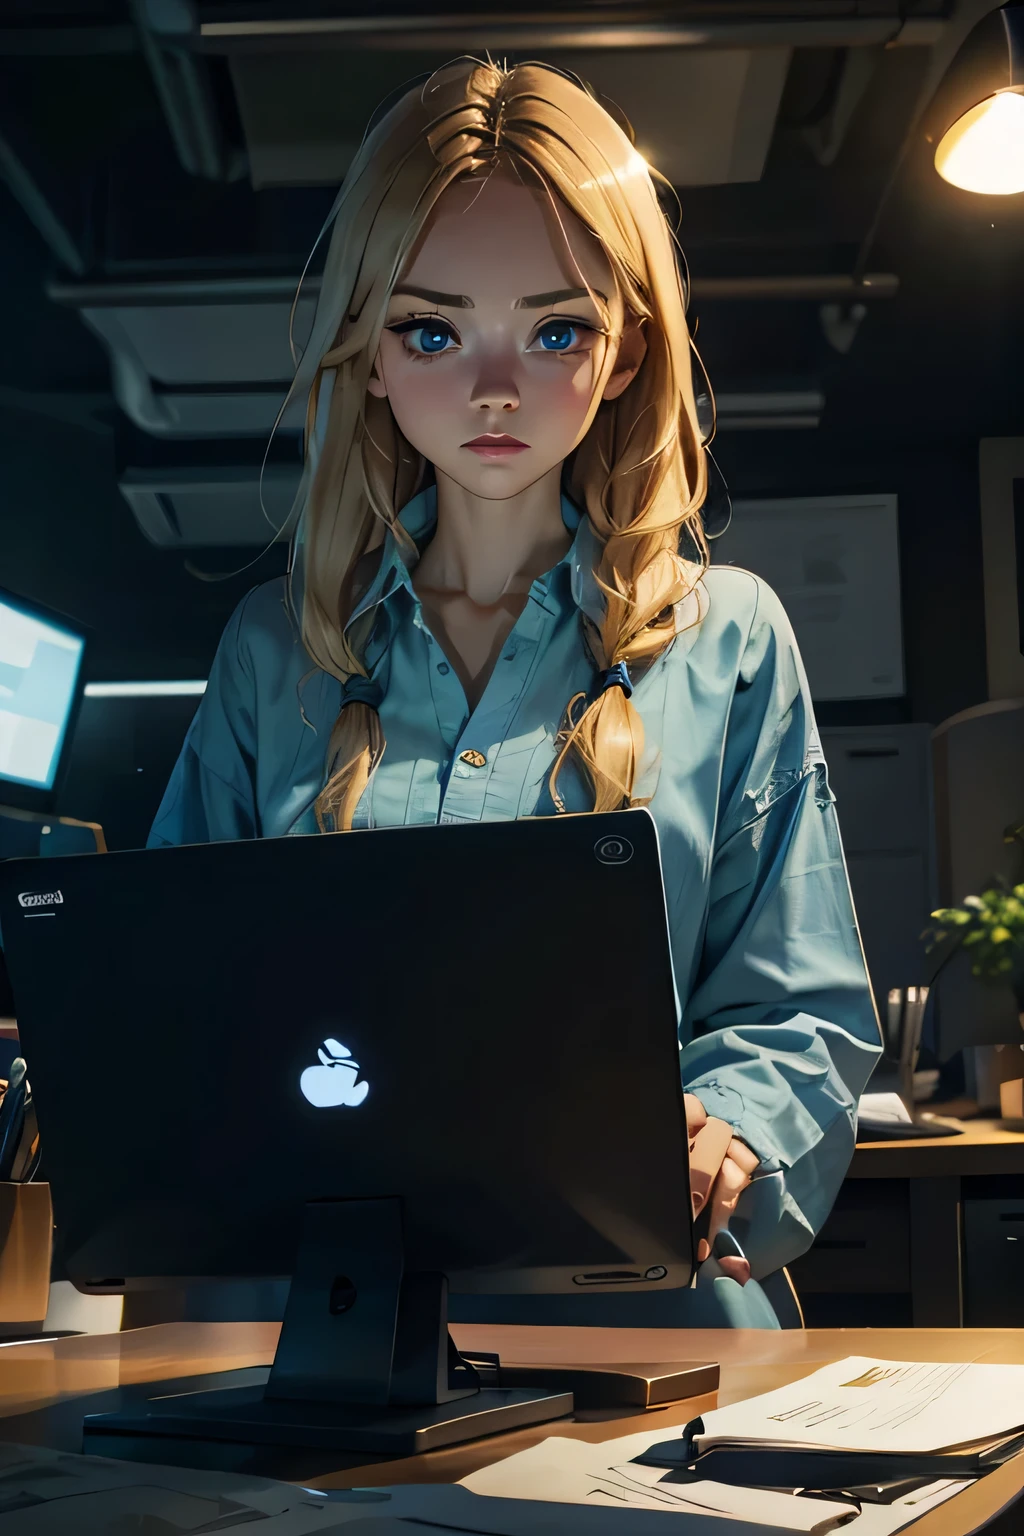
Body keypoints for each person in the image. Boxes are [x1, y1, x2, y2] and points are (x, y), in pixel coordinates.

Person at [148, 59, 881, 1327]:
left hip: (651, 1337)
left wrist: (729, 1130)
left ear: (625, 347)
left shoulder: (730, 642)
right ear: (370, 353)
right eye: (434, 331)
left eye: (555, 331)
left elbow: (799, 1009)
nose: (495, 386)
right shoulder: (275, 654)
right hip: (330, 1341)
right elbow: (165, 1006)